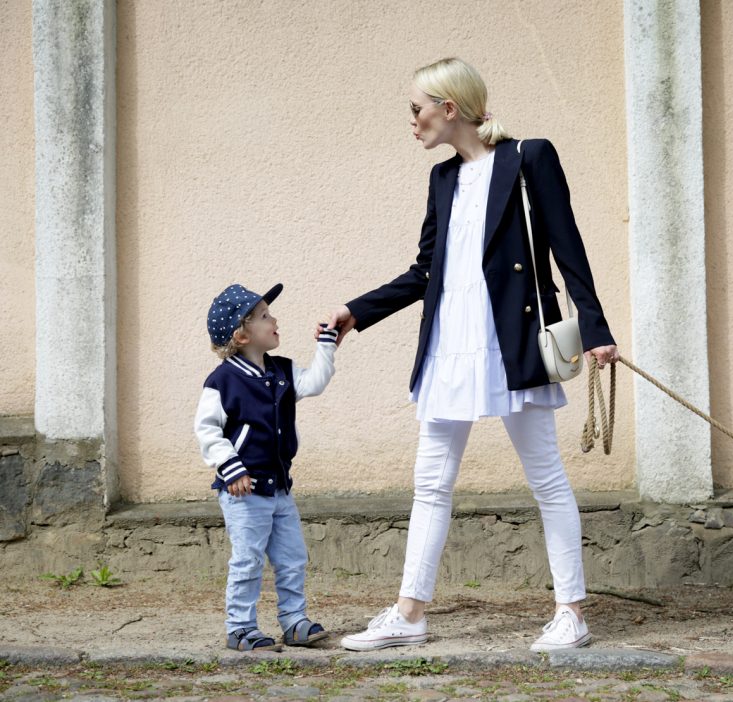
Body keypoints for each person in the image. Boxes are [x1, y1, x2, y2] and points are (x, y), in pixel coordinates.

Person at [324, 57, 619, 652]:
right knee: (430, 483)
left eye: (416, 109)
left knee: (546, 478)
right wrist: (358, 311)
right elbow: (425, 271)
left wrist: (595, 329)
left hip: (512, 341)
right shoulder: (443, 179)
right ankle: (410, 614)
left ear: (449, 108)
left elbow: (568, 248)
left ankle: (572, 613)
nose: (412, 120)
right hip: (449, 345)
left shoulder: (529, 158)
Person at [195, 283, 338, 651]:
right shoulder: (223, 381)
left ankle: (294, 621)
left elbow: (315, 382)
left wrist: (327, 343)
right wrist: (231, 466)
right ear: (241, 335)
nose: (274, 320)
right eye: (264, 316)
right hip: (244, 491)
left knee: (292, 558)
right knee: (248, 560)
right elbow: (207, 430)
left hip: (279, 488)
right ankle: (240, 628)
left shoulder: (282, 371)